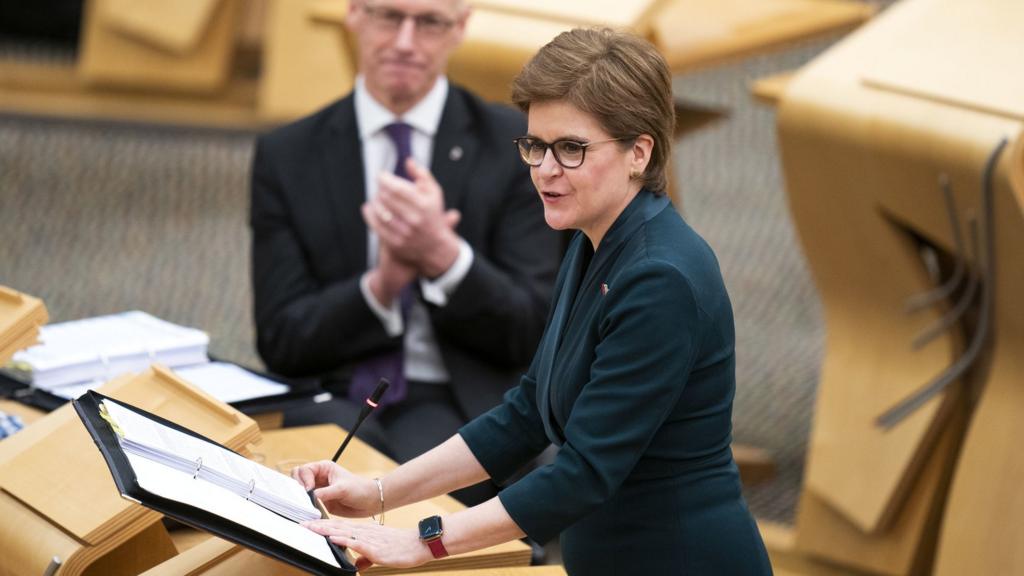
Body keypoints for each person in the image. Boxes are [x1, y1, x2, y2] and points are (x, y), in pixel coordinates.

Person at [292, 28, 773, 575]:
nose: (544, 170)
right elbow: (527, 412)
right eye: (535, 145)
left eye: (570, 148)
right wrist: (378, 492)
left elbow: (584, 471)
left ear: (639, 152)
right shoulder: (592, 237)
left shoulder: (659, 277)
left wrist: (422, 542)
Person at [250, 0, 561, 504]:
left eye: (430, 22)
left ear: (460, 27)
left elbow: (532, 331)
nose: (404, 42)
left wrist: (443, 256)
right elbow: (282, 339)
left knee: (403, 509)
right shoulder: (288, 154)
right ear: (353, 12)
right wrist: (382, 286)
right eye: (388, 16)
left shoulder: (515, 147)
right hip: (335, 393)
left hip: (460, 401)